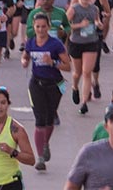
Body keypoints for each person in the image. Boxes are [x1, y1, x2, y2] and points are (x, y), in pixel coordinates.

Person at [21, 13, 70, 170]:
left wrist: (53, 62)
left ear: (49, 27)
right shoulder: (31, 42)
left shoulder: (55, 44)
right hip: (36, 84)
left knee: (49, 119)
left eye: (43, 26)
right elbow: (26, 55)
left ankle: (45, 143)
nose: (40, 30)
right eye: (37, 27)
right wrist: (24, 60)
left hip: (54, 85)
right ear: (33, 27)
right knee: (39, 119)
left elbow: (68, 66)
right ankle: (40, 156)